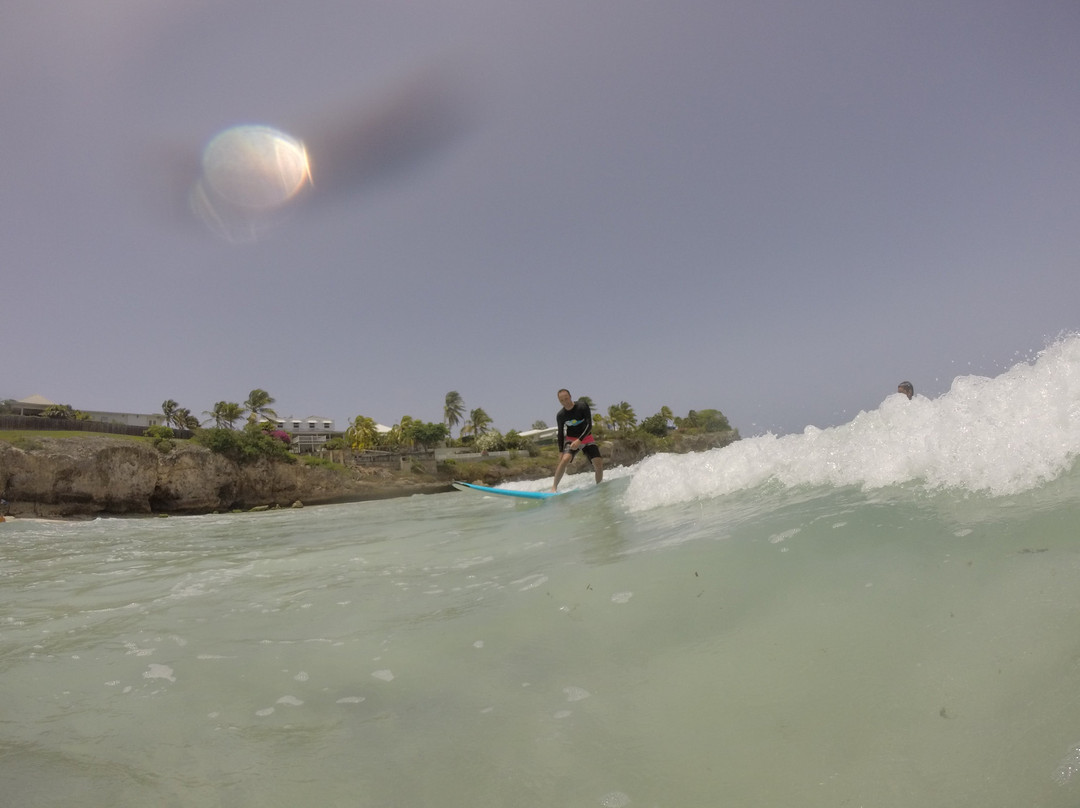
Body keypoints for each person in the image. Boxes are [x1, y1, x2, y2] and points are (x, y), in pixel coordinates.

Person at [552, 388, 603, 492]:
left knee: (598, 463)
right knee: (564, 459)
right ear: (559, 401)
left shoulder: (582, 406)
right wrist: (561, 451)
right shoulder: (560, 415)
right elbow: (561, 434)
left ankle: (599, 486)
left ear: (570, 396)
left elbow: (589, 425)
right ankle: (554, 487)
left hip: (587, 438)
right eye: (562, 400)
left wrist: (580, 440)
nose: (565, 402)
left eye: (566, 398)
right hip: (571, 439)